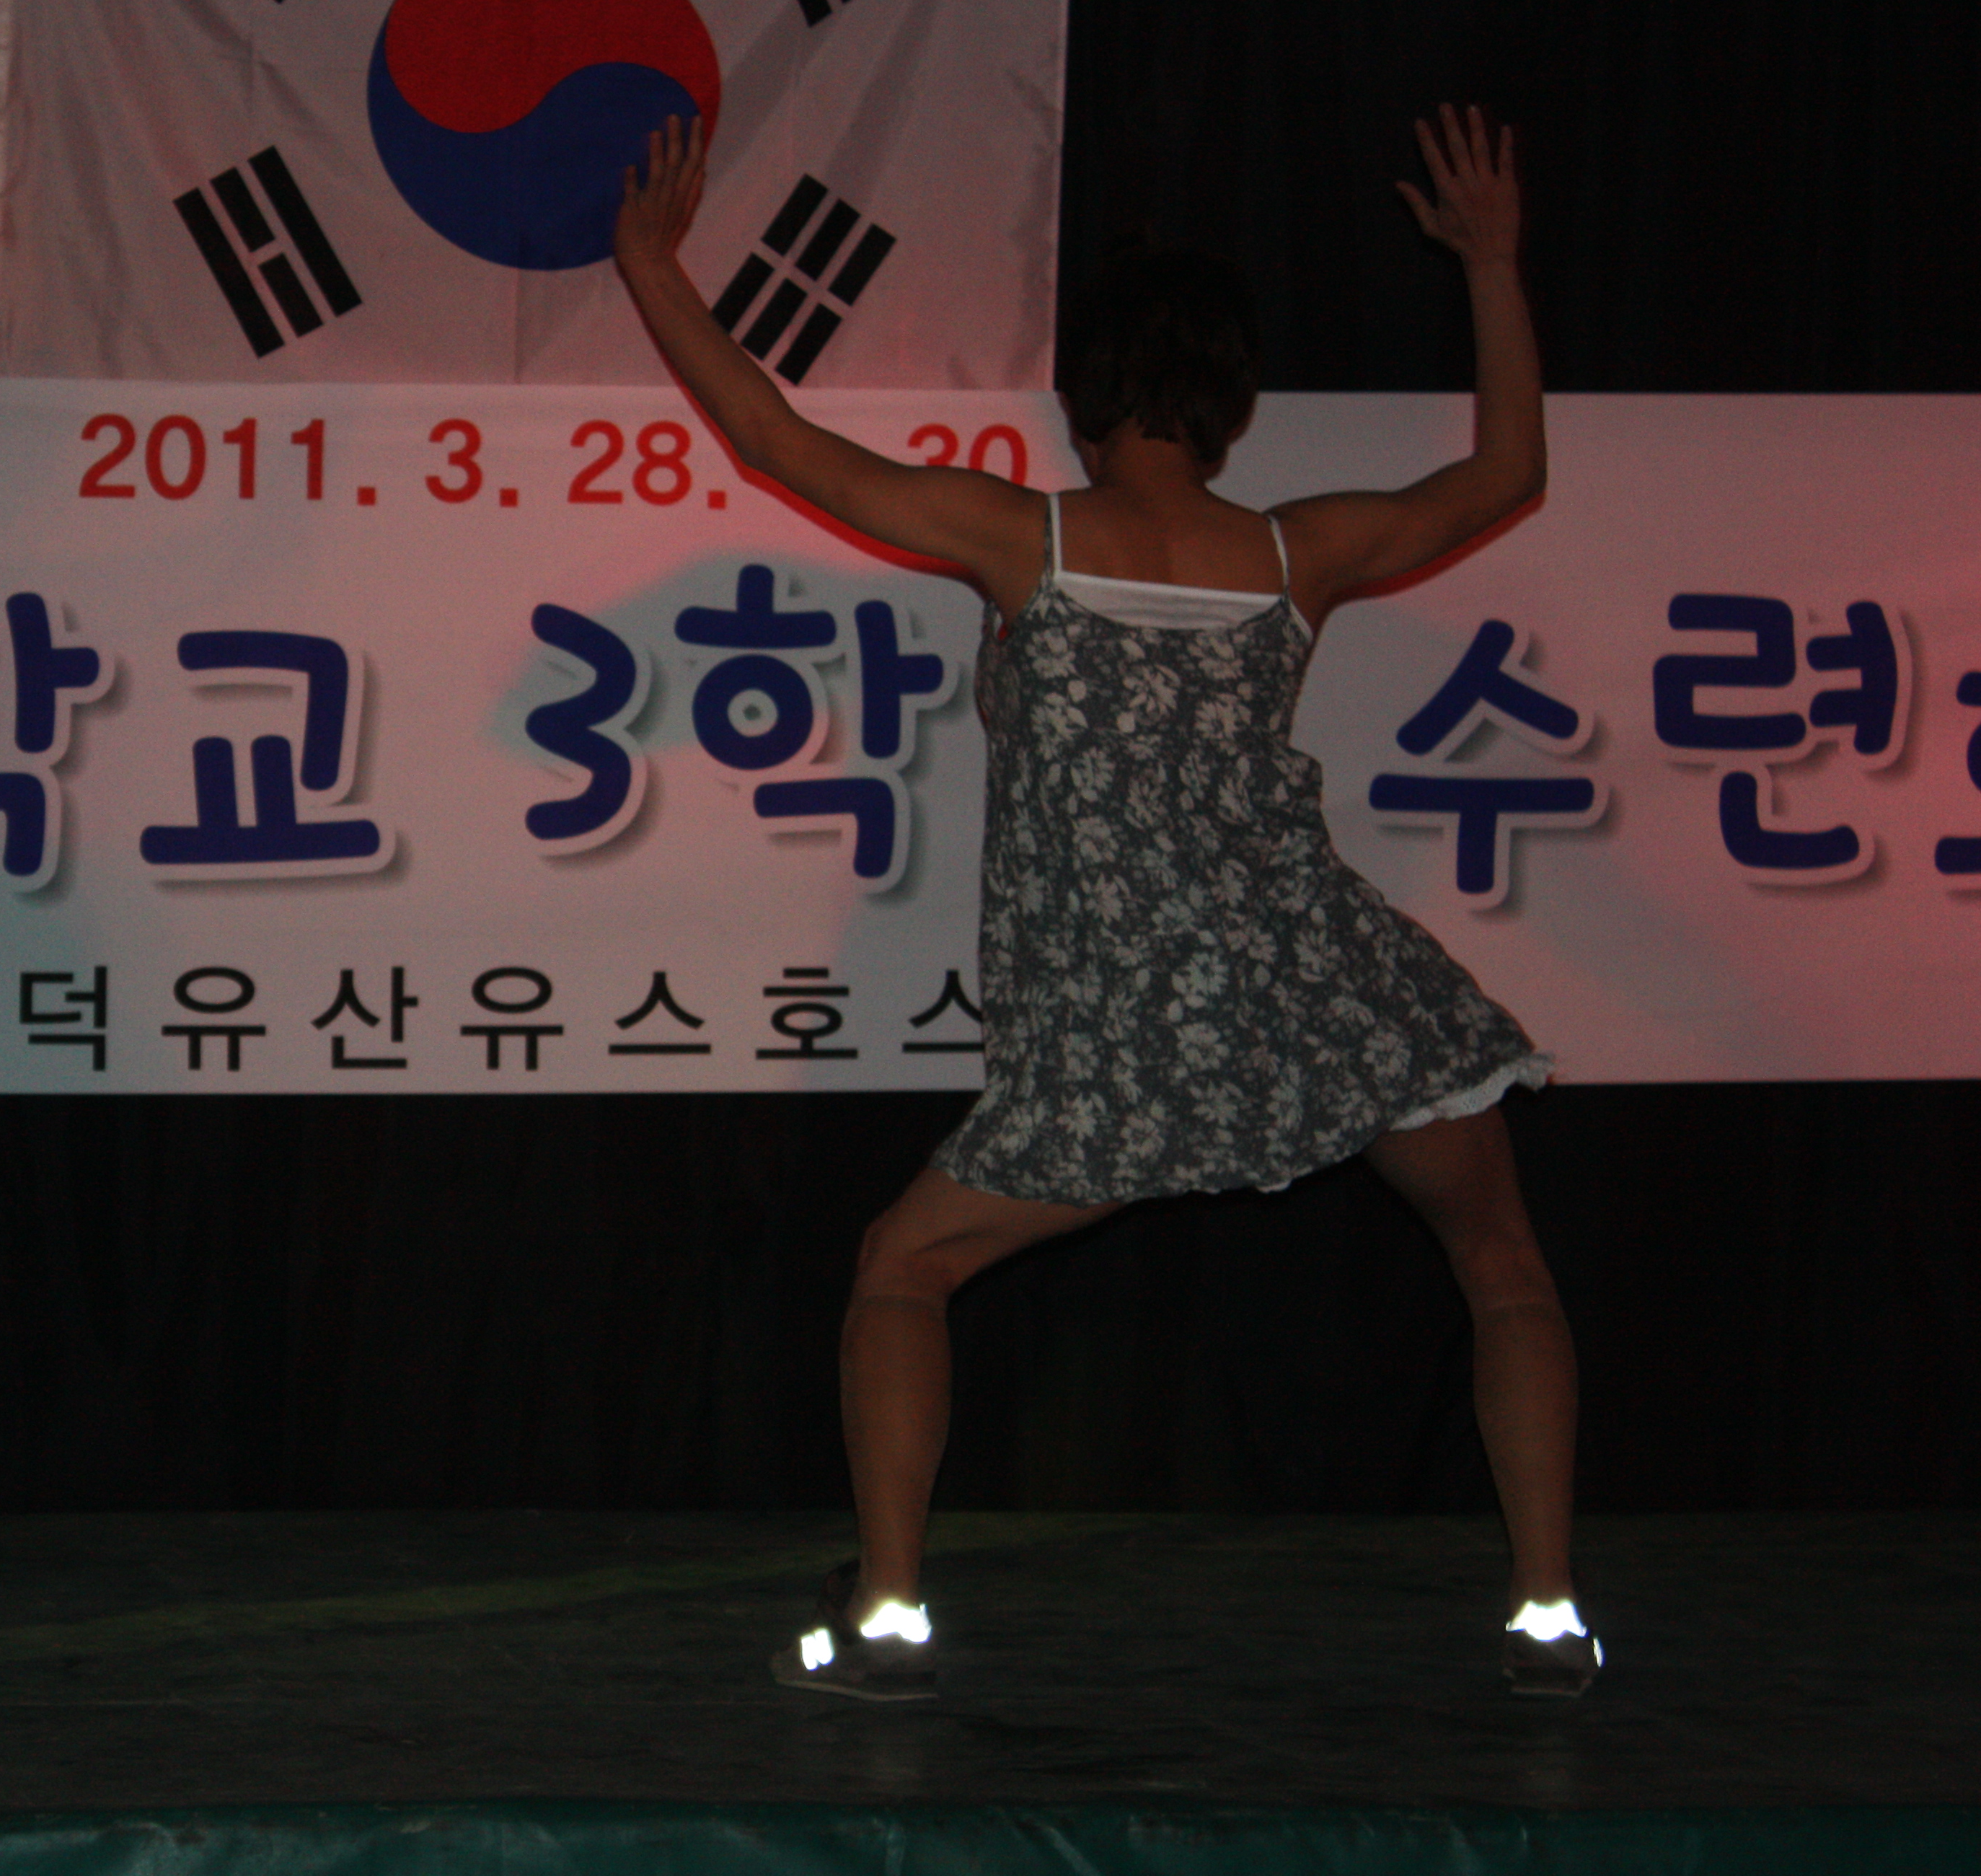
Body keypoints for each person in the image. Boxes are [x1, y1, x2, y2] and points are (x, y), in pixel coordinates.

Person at [612, 106, 1597, 1701]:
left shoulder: (1027, 540)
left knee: (901, 1268)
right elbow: (1508, 473)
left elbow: (778, 442)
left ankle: (888, 1609)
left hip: (1123, 1042)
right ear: (1230, 407)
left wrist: (653, 265)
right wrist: (1492, 261)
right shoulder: (1294, 554)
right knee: (1503, 1262)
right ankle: (1550, 1610)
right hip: (1326, 995)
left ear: (1086, 398)